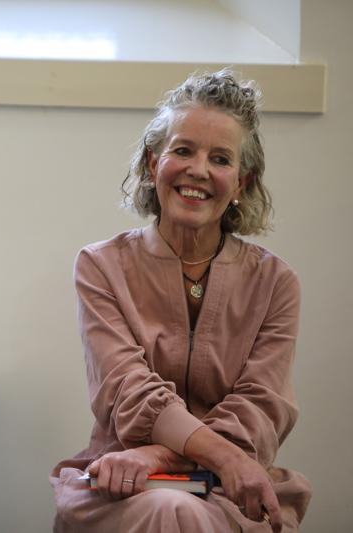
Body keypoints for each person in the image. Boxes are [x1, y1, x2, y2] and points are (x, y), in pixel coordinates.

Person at [49, 70, 311, 533]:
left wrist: (159, 455)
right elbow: (127, 391)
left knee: (184, 510)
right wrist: (192, 457)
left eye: (220, 158)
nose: (198, 170)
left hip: (232, 486)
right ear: (154, 164)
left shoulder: (276, 283)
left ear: (241, 183)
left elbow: (261, 410)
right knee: (173, 510)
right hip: (123, 481)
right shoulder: (101, 266)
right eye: (183, 150)